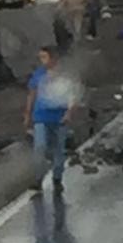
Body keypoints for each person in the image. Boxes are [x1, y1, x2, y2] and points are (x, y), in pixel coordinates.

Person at [24, 46, 77, 192]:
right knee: (39, 148)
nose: (42, 61)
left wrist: (69, 113)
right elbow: (32, 94)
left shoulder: (64, 77)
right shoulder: (38, 75)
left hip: (59, 119)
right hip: (41, 117)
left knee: (58, 150)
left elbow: (72, 95)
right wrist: (28, 115)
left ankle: (57, 179)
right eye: (40, 57)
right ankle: (38, 179)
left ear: (53, 59)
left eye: (44, 57)